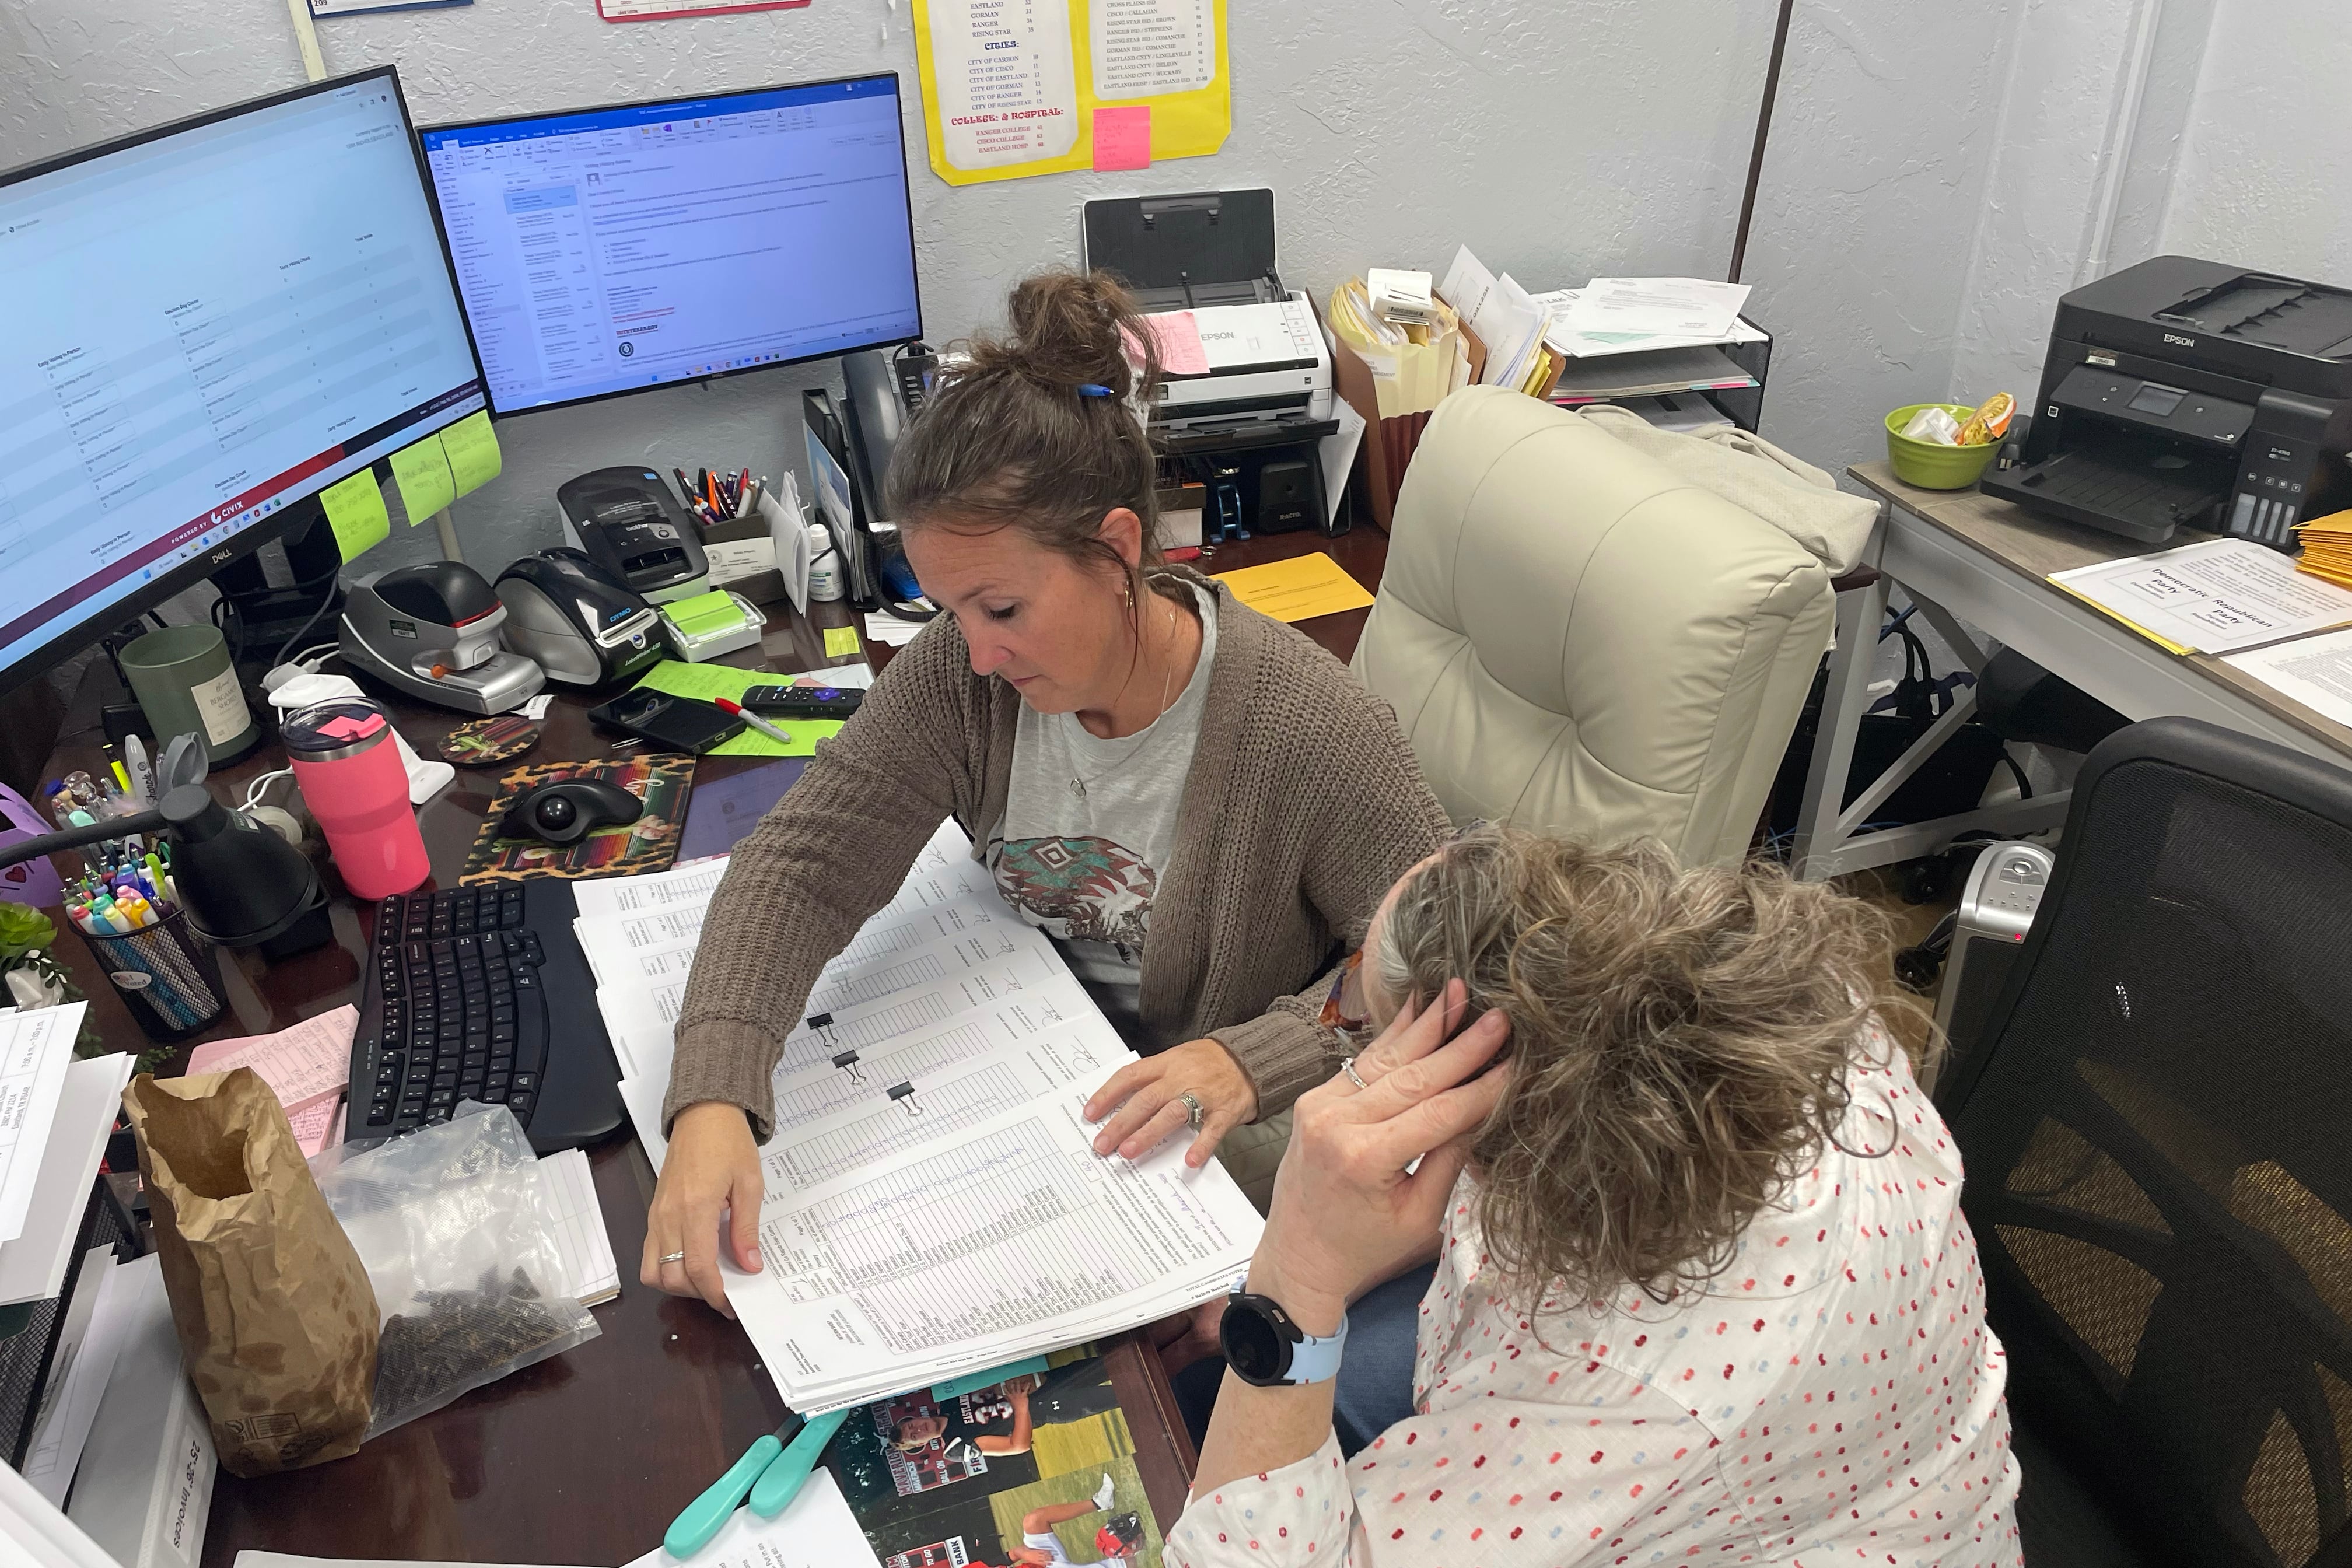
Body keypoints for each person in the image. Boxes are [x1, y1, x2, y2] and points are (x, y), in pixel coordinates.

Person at [643, 270, 1450, 1314]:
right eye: (951, 611)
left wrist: (1264, 1056)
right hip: (1016, 1072)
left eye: (1004, 609)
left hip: (1196, 1136)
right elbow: (802, 871)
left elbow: (1442, 971)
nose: (975, 656)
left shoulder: (1305, 728)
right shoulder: (959, 675)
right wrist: (714, 1090)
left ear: (1118, 551)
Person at [1167, 828, 2021, 1566]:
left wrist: (1297, 1280)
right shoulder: (1807, 1008)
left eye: (1368, 1026)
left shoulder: (1633, 1369)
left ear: (1488, 1127)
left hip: (1748, 1488)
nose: (1355, 1039)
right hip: (1836, 1448)